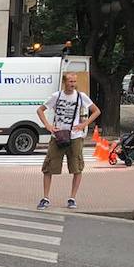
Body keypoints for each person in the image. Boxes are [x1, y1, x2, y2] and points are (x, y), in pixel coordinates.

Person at [36, 71, 100, 209]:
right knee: (48, 167)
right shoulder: (56, 96)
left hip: (75, 137)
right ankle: (45, 198)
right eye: (70, 82)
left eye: (75, 82)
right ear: (64, 82)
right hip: (57, 136)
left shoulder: (81, 97)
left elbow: (96, 111)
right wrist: (48, 126)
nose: (73, 84)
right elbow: (40, 110)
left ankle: (72, 198)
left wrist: (84, 124)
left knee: (77, 167)